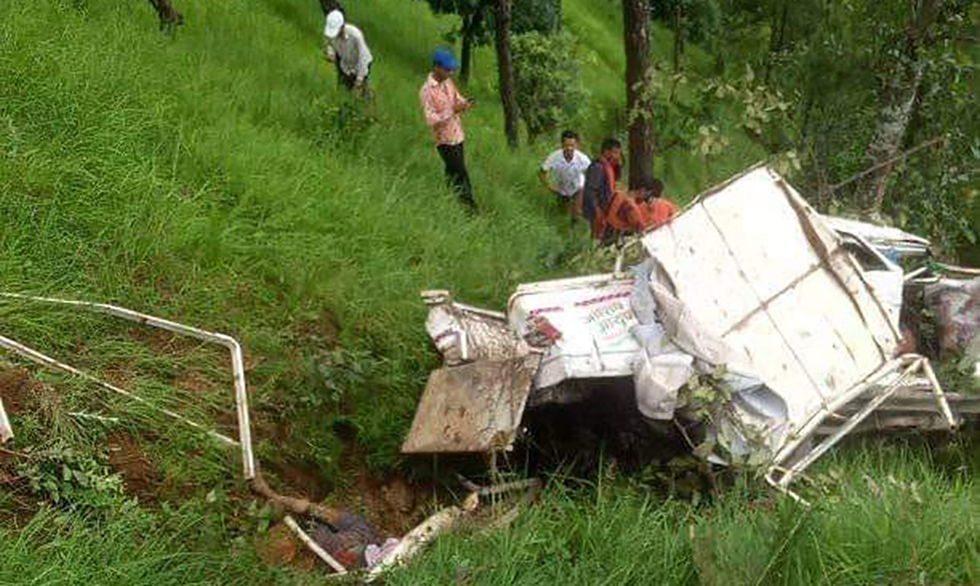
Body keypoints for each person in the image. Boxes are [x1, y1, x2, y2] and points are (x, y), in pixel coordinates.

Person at [419, 49, 476, 211]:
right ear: (437, 67)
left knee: (452, 171)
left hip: (457, 134)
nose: (450, 72)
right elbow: (430, 119)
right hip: (444, 140)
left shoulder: (448, 82)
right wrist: (452, 110)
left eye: (452, 69)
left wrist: (464, 103)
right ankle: (470, 209)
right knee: (461, 174)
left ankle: (449, 201)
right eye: (447, 69)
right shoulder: (426, 91)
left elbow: (456, 98)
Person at [538, 130, 591, 223]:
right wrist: (548, 187)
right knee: (562, 214)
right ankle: (562, 230)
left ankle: (574, 231)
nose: (569, 148)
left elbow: (592, 173)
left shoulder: (582, 159)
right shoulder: (554, 157)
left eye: (572, 145)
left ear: (576, 145)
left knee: (576, 214)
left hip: (578, 187)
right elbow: (542, 172)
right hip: (561, 188)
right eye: (567, 145)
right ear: (562, 145)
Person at [323, 10, 373, 96]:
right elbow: (329, 43)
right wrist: (330, 53)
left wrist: (359, 79)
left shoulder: (356, 36)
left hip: (360, 64)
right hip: (345, 64)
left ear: (342, 27)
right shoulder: (332, 35)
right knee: (343, 90)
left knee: (360, 92)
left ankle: (367, 100)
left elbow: (362, 57)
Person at [581, 138, 623, 241]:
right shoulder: (598, 167)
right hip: (597, 212)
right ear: (606, 152)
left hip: (606, 212)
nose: (617, 156)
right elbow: (590, 191)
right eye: (615, 153)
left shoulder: (609, 167)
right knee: (597, 239)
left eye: (618, 153)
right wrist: (597, 211)